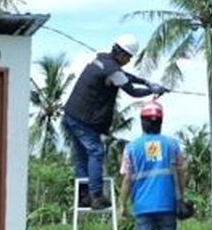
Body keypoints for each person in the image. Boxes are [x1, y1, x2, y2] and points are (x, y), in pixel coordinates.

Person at [62, 34, 167, 210]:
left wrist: (146, 82)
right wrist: (153, 91)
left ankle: (84, 196)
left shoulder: (102, 60)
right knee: (96, 152)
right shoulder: (112, 70)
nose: (129, 60)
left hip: (71, 115)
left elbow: (125, 76)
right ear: (122, 54)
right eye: (129, 57)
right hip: (83, 119)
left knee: (82, 156)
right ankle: (96, 196)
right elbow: (132, 91)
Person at [120, 99, 186, 230]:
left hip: (142, 206)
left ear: (142, 122)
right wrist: (181, 196)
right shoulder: (172, 145)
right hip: (167, 204)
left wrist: (123, 205)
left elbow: (127, 179)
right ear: (160, 122)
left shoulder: (132, 148)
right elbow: (182, 171)